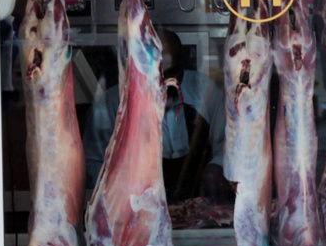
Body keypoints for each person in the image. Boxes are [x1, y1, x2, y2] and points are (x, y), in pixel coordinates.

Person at [83, 28, 226, 202]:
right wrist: (122, 184)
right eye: (157, 75)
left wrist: (217, 165)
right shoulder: (112, 104)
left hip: (197, 207)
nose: (166, 83)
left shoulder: (204, 90)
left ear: (183, 66)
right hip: (137, 207)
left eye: (172, 72)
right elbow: (92, 163)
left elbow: (227, 141)